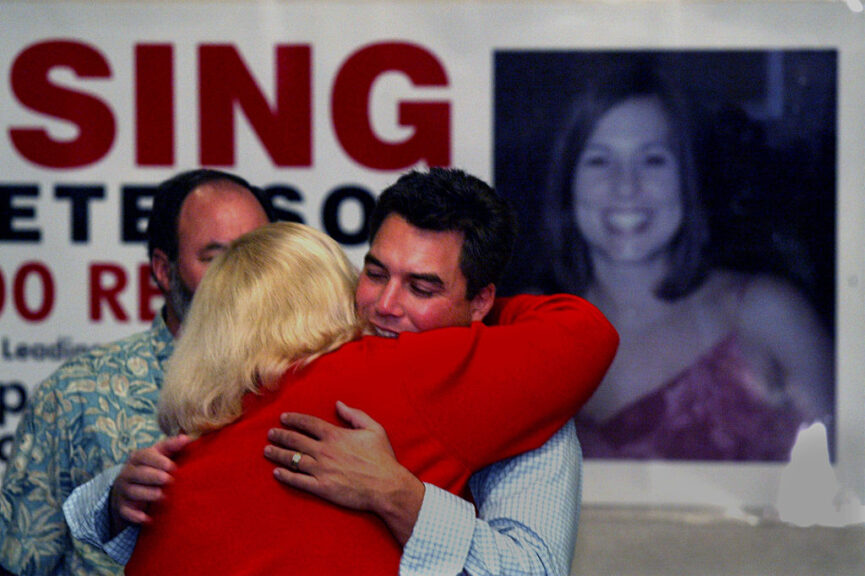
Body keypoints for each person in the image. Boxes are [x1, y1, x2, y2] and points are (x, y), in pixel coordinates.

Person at [68, 167, 609, 576]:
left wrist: (401, 498)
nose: (386, 304)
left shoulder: (525, 395)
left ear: (480, 301)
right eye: (374, 273)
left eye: (422, 288)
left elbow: (532, 571)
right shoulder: (286, 375)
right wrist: (115, 495)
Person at [540, 58, 833, 460]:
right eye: (599, 160)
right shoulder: (520, 331)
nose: (626, 186)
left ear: (688, 177)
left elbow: (851, 493)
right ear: (567, 182)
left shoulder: (767, 313)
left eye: (654, 159)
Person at [0, 169, 274, 575]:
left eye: (257, 256)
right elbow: (17, 562)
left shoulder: (304, 380)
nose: (242, 279)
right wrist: (111, 509)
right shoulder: (76, 395)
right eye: (217, 260)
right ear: (164, 270)